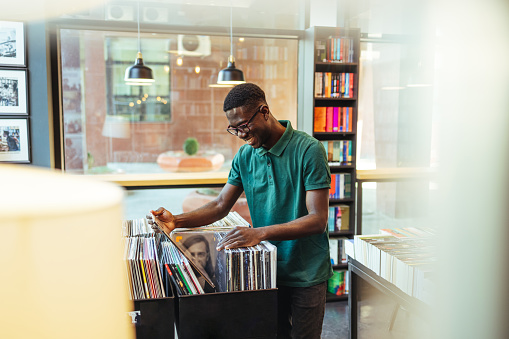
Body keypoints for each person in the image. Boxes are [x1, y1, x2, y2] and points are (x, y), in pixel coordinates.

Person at [150, 83, 332, 339]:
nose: (240, 134)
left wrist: (259, 233)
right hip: (266, 270)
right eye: (233, 129)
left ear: (265, 112)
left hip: (307, 270)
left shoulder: (309, 150)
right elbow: (220, 205)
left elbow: (318, 220)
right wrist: (176, 221)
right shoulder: (244, 156)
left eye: (244, 125)